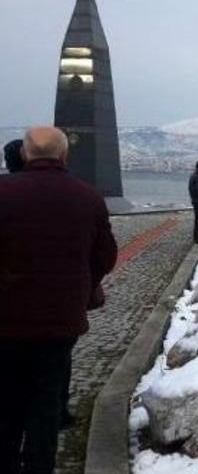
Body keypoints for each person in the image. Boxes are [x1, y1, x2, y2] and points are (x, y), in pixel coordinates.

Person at [0, 126, 117, 474]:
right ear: (65, 155)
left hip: (5, 321)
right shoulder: (88, 197)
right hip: (60, 322)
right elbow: (106, 256)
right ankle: (40, 465)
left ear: (25, 154)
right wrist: (84, 287)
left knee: (5, 402)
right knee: (47, 403)